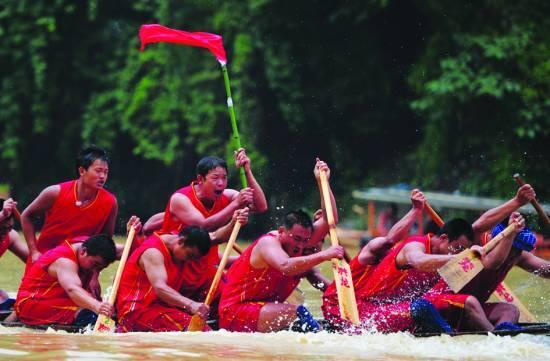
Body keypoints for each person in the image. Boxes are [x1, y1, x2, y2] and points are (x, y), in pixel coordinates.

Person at [219, 159, 344, 333]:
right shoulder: (268, 243)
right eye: (296, 239)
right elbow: (285, 266)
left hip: (265, 309)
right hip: (235, 311)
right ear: (281, 231)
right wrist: (325, 255)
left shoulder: (301, 240)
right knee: (300, 314)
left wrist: (323, 182)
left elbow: (331, 220)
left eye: (304, 240)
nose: (300, 245)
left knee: (314, 323)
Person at [158, 149, 267, 309]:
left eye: (224, 178)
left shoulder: (227, 196)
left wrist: (247, 171)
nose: (221, 184)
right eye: (215, 178)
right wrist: (235, 205)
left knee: (235, 301)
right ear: (200, 179)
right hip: (176, 271)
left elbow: (260, 206)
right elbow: (204, 226)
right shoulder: (180, 199)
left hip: (206, 273)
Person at [426, 214, 550, 331]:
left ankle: (503, 336)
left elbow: (547, 270)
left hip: (471, 311)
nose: (515, 255)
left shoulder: (517, 255)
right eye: (514, 249)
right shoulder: (480, 246)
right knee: (471, 302)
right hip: (437, 305)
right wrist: (511, 232)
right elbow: (493, 263)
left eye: (519, 251)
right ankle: (498, 339)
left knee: (510, 311)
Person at [21, 145, 117, 263]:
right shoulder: (54, 192)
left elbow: (104, 244)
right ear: (82, 170)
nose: (102, 176)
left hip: (81, 266)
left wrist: (94, 275)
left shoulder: (110, 202)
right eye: (98, 171)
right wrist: (34, 251)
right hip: (46, 260)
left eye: (106, 172)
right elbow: (26, 216)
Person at [14, 234, 117, 326]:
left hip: (58, 300)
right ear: (83, 252)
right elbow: (72, 289)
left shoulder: (88, 246)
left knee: (104, 315)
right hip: (31, 304)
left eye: (100, 268)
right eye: (95, 264)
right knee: (89, 316)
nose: (95, 271)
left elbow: (125, 249)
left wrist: (132, 231)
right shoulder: (65, 262)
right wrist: (97, 306)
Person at [0, 198, 29, 310]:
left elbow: (33, 260)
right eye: (1, 228)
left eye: (9, 228)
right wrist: (2, 214)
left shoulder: (10, 236)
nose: (5, 233)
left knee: (4, 298)